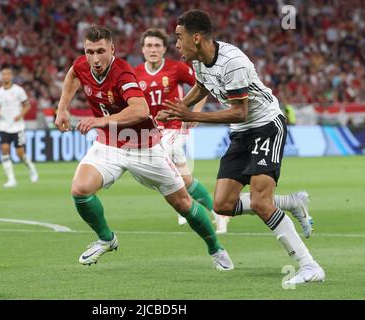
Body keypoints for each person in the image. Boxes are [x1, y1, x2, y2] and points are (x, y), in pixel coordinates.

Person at [161, 10, 324, 285]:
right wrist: (180, 107)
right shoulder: (199, 60)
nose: (176, 44)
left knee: (261, 202)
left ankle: (309, 266)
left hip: (266, 124)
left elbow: (239, 111)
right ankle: (292, 202)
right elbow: (203, 86)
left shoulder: (233, 62)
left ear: (197, 37)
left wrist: (191, 116)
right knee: (222, 204)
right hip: (241, 132)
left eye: (179, 37)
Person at [54, 25, 233, 270]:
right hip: (109, 144)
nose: (95, 59)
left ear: (112, 49)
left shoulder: (123, 73)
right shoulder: (83, 64)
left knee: (183, 203)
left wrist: (101, 120)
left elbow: (141, 110)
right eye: (90, 51)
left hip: (145, 147)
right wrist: (62, 107)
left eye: (101, 51)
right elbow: (74, 73)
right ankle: (106, 239)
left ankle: (215, 247)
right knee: (80, 189)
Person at [134, 28, 230, 231]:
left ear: (164, 49)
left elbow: (203, 85)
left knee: (160, 157)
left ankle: (184, 207)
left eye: (157, 45)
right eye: (149, 45)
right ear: (142, 50)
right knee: (185, 178)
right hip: (153, 130)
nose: (153, 49)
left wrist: (195, 112)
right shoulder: (136, 74)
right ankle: (217, 213)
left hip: (176, 126)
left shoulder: (176, 68)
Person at [0, 66, 38, 188]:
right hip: (4, 126)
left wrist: (20, 115)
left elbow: (27, 105)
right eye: (3, 74)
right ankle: (11, 179)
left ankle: (30, 167)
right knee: (4, 149)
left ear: (11, 76)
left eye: (8, 74)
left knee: (19, 154)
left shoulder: (19, 90)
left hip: (17, 127)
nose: (5, 76)